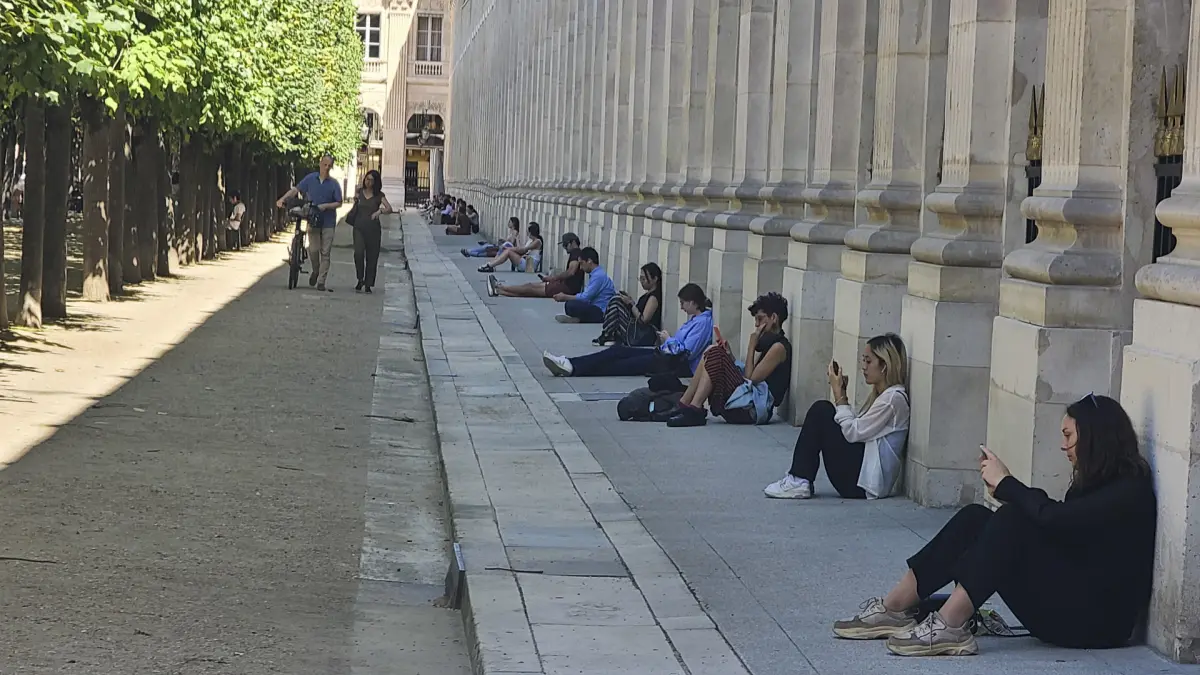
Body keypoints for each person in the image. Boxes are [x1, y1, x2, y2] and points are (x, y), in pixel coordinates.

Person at [832, 394, 1155, 658]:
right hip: (1073, 601)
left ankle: (950, 625)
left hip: (1095, 625)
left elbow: (1054, 520)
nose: (1062, 445)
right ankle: (895, 607)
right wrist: (1008, 493)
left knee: (1013, 518)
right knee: (977, 517)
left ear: (1095, 437)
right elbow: (1058, 528)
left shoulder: (1129, 489)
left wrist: (1009, 485)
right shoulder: (1094, 483)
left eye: (1068, 435)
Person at [764, 333, 909, 500]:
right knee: (824, 412)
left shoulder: (893, 399)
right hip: (862, 478)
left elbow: (853, 433)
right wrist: (843, 396)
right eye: (864, 361)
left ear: (885, 366)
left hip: (863, 484)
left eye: (869, 362)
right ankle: (799, 479)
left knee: (822, 411)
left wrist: (839, 395)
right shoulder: (885, 397)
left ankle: (798, 479)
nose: (864, 367)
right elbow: (860, 431)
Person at [667, 292, 792, 427]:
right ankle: (685, 403)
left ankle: (695, 409)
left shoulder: (779, 347)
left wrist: (751, 346)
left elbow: (752, 379)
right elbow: (748, 375)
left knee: (716, 353)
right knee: (712, 351)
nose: (756, 325)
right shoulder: (769, 344)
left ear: (773, 318)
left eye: (760, 319)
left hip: (753, 409)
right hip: (747, 400)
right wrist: (730, 357)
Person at [542, 283, 714, 378]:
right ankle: (569, 362)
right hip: (663, 355)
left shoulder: (703, 323)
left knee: (619, 365)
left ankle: (572, 367)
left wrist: (668, 339)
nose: (682, 307)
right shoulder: (696, 320)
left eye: (683, 303)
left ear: (692, 302)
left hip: (672, 364)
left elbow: (686, 353)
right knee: (617, 351)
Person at [276, 154, 343, 292]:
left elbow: (339, 202)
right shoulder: (310, 179)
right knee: (313, 250)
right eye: (325, 164)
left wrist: (326, 206)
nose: (327, 168)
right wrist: (282, 199)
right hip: (313, 218)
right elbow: (296, 189)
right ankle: (316, 270)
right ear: (320, 164)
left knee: (326, 252)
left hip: (328, 222)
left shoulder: (334, 184)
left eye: (329, 165)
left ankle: (321, 282)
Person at [487, 232, 584, 299]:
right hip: (563, 285)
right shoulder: (576, 253)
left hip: (566, 288)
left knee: (529, 289)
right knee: (529, 288)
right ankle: (499, 290)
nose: (565, 248)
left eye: (566, 245)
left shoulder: (576, 253)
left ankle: (499, 288)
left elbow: (571, 272)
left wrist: (553, 278)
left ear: (573, 242)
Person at [345, 169, 393, 294]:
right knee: (358, 253)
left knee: (372, 256)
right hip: (359, 227)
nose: (368, 182)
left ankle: (368, 283)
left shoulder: (379, 195)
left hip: (373, 229)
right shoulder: (359, 192)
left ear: (376, 182)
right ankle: (360, 278)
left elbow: (389, 208)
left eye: (371, 180)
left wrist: (379, 212)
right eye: (367, 179)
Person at [594, 263, 663, 347]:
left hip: (641, 334)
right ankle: (608, 334)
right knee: (617, 299)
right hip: (636, 329)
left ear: (655, 279)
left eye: (644, 279)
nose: (641, 282)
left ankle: (607, 334)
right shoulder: (648, 294)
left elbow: (643, 320)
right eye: (640, 279)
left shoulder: (653, 298)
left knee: (617, 302)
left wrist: (631, 304)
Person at [549, 247, 615, 324]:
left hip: (601, 311)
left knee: (571, 305)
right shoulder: (596, 274)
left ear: (589, 261)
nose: (580, 267)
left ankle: (579, 319)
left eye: (581, 263)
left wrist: (565, 297)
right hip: (596, 307)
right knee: (571, 305)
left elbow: (585, 297)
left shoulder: (598, 276)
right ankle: (578, 319)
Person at [476, 221, 543, 273]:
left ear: (531, 231)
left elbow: (523, 250)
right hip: (527, 262)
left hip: (530, 266)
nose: (526, 231)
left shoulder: (538, 241)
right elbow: (521, 250)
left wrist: (508, 248)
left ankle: (490, 265)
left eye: (527, 229)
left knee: (508, 251)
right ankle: (491, 264)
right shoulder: (530, 240)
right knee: (508, 248)